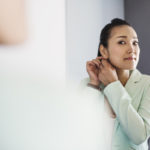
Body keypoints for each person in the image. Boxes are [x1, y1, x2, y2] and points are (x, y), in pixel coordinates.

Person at [80, 18, 150, 150]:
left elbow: (139, 135)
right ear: (104, 50)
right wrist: (94, 84)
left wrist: (113, 84)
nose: (131, 49)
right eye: (122, 42)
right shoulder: (87, 85)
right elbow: (77, 130)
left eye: (135, 42)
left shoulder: (147, 84)